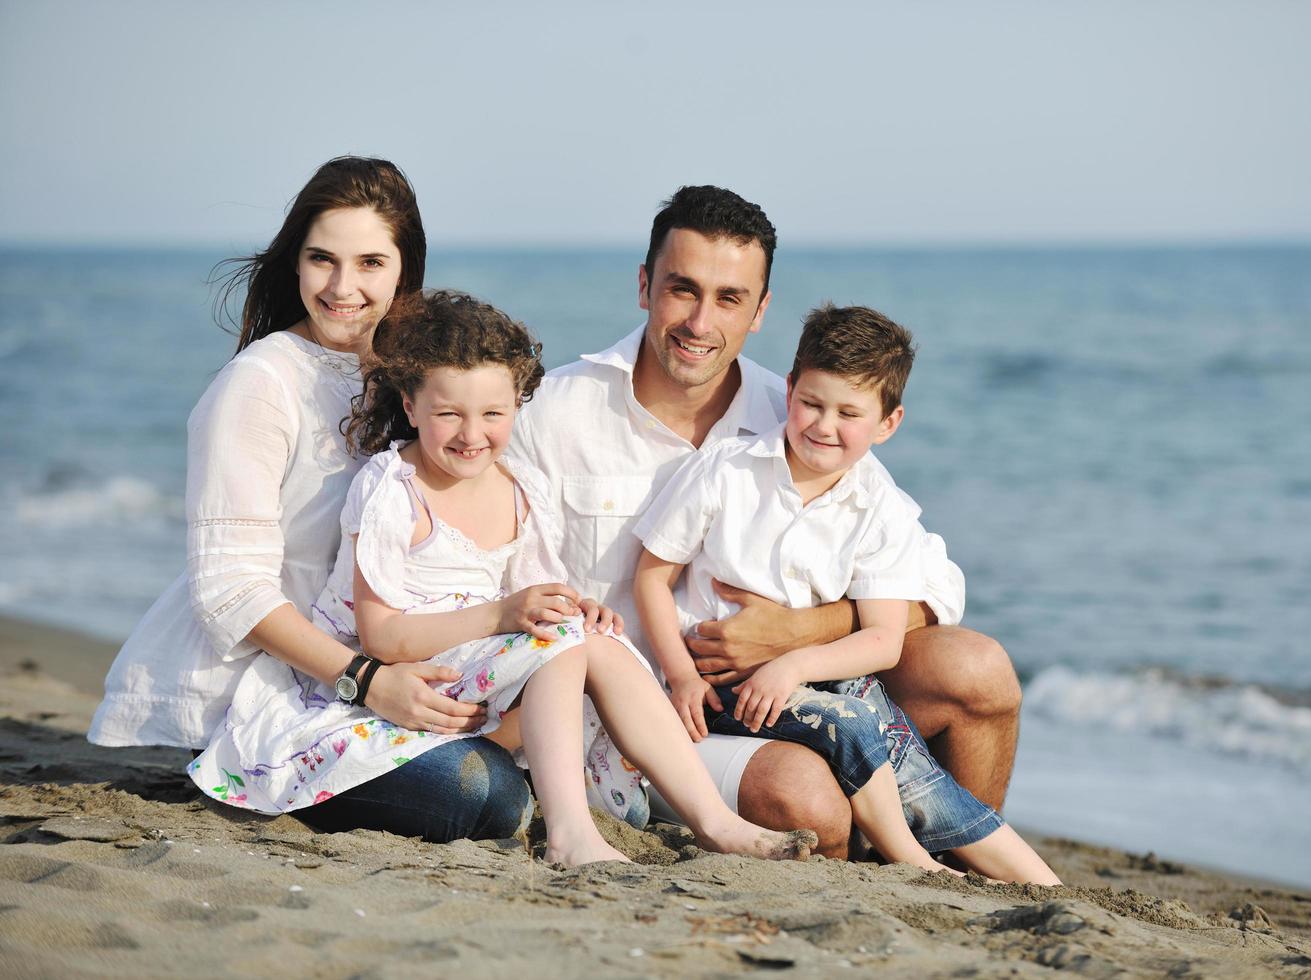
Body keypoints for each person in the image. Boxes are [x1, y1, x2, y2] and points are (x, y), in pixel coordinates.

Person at [190, 290, 816, 867]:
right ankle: (571, 832)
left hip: (477, 683)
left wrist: (576, 608)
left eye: (492, 412)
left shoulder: (522, 490)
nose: (471, 434)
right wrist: (503, 615)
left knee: (583, 636)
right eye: (448, 414)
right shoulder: (392, 489)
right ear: (410, 405)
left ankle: (712, 819)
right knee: (557, 647)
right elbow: (379, 636)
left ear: (517, 404)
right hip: (385, 689)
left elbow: (536, 601)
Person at [508, 185, 1023, 856]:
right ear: (644, 285)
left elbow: (935, 589)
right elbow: (500, 575)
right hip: (640, 721)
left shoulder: (800, 412)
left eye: (729, 298)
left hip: (794, 687)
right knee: (807, 798)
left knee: (977, 671)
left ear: (760, 310)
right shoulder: (555, 412)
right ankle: (873, 860)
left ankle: (965, 873)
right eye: (681, 289)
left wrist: (795, 632)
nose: (699, 322)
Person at [88, 157, 531, 843]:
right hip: (276, 685)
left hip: (397, 663)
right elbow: (230, 590)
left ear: (403, 273)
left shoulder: (418, 380)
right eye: (322, 259)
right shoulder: (258, 385)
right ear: (295, 263)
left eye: (370, 264)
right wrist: (368, 679)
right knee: (482, 793)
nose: (343, 287)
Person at [633, 304, 1059, 882]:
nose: (823, 426)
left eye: (849, 413)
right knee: (855, 720)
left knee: (906, 757)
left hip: (803, 682)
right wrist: (680, 674)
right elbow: (651, 576)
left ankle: (1042, 885)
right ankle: (907, 860)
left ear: (889, 422)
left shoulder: (880, 505)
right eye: (812, 403)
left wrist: (793, 664)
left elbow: (884, 640)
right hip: (713, 687)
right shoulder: (726, 470)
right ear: (788, 390)